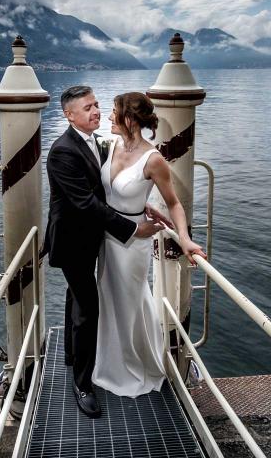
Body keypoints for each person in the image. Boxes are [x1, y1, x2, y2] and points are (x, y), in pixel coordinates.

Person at [44, 85, 164, 418]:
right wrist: (133, 228)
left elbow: (122, 180)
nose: (96, 112)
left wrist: (145, 208)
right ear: (69, 116)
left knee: (75, 295)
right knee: (87, 307)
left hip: (97, 237)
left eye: (97, 105)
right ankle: (82, 384)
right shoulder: (62, 151)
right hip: (72, 240)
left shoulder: (99, 142)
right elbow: (85, 203)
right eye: (87, 108)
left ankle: (71, 353)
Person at [93, 91, 205, 398]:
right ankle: (108, 363)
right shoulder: (112, 144)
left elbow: (174, 203)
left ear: (128, 119)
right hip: (107, 236)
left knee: (130, 302)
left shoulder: (154, 159)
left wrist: (183, 238)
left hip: (134, 244)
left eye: (113, 112)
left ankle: (134, 366)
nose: (108, 117)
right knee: (108, 300)